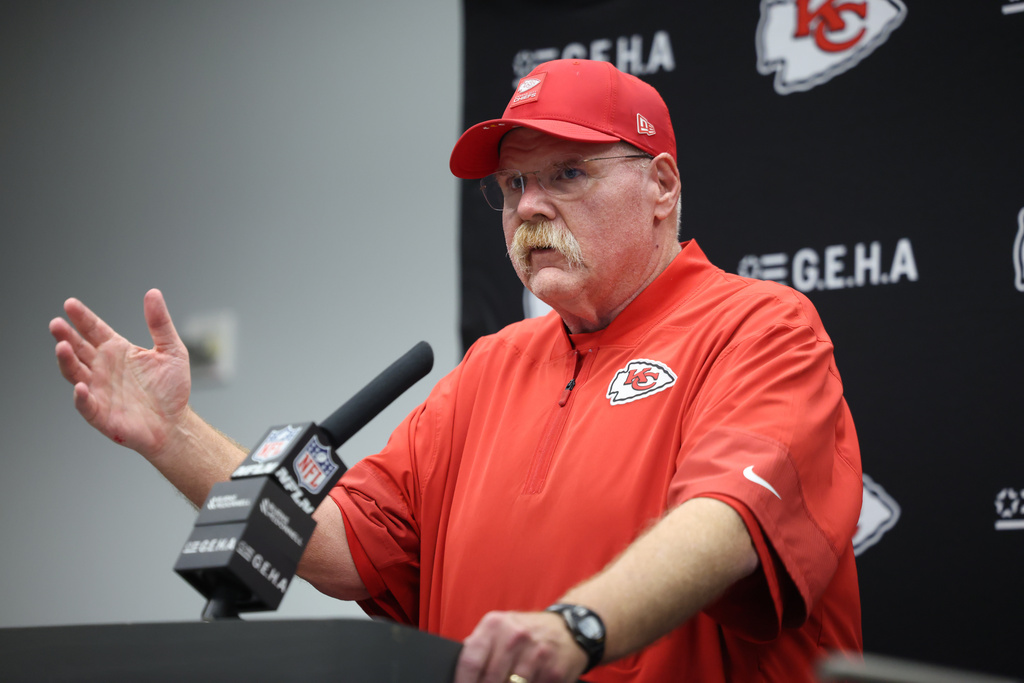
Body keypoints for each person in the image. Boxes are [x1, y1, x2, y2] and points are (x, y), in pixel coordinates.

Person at [51, 59, 863, 683]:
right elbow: (345, 545)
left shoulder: (760, 325)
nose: (529, 208)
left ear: (660, 184)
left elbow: (726, 520)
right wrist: (172, 434)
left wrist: (574, 627)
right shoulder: (493, 366)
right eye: (512, 185)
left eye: (566, 175)